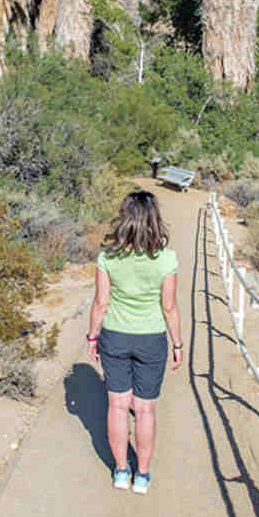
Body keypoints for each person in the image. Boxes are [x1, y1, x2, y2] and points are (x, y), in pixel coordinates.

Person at [86, 190, 184, 495]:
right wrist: (178, 344)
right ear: (155, 219)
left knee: (117, 405)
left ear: (124, 219)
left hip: (115, 335)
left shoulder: (108, 257)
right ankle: (141, 475)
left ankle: (120, 471)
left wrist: (93, 336)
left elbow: (101, 302)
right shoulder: (166, 259)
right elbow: (169, 307)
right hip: (151, 340)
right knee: (145, 410)